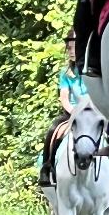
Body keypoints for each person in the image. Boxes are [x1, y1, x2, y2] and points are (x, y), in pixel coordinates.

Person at [38, 29, 87, 187]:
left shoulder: (92, 70)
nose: (71, 51)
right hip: (72, 113)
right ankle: (47, 167)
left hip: (93, 112)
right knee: (53, 129)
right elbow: (64, 98)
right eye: (69, 47)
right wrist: (75, 112)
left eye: (75, 47)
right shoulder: (65, 73)